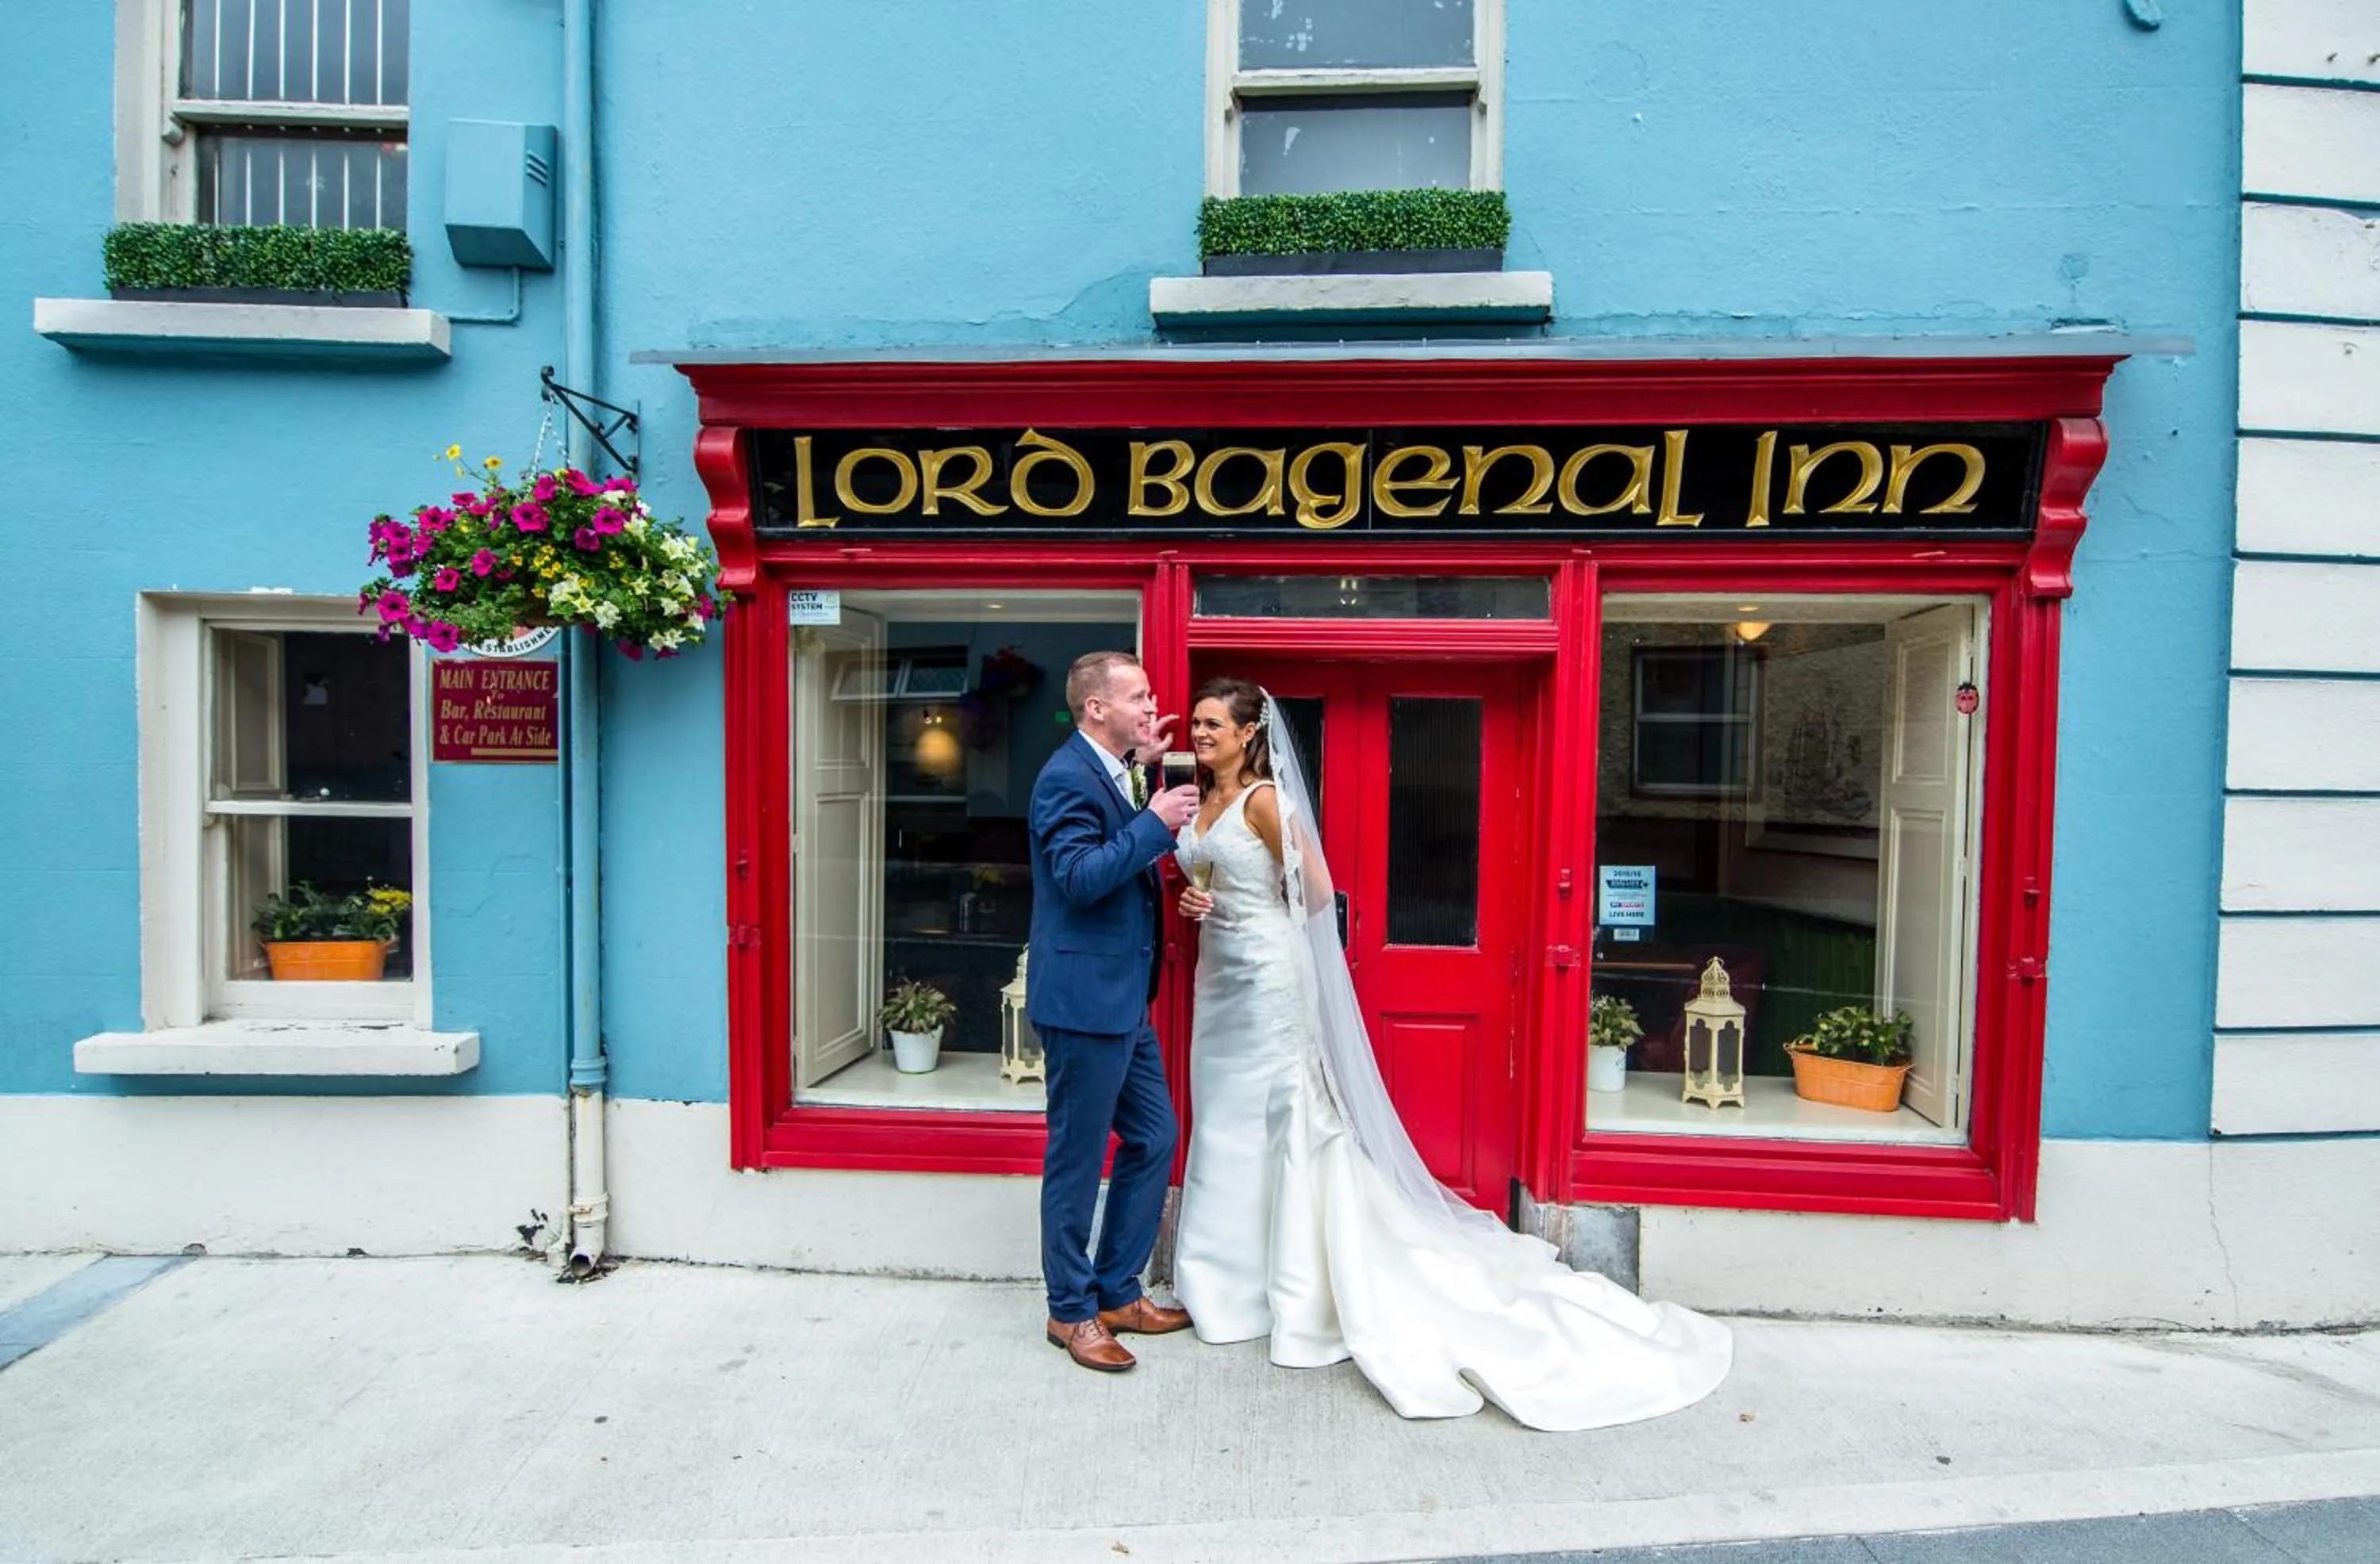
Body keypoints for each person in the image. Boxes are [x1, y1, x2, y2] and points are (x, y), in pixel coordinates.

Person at [1170, 676, 1733, 1430]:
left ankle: (1299, 1294)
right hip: (1218, 981)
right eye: (1198, 723)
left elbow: (1313, 893)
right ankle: (1225, 1286)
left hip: (1268, 979)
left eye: (1213, 724)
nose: (1201, 734)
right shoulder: (1195, 798)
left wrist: (1249, 916)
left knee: (1283, 1119)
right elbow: (1201, 873)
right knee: (1225, 1124)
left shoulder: (1264, 802)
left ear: (1247, 734)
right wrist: (1197, 903)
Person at [1026, 650, 1203, 1372]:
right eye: (1138, 696)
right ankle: (1069, 1312)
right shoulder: (1063, 777)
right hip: (1082, 1002)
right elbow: (1079, 879)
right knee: (1075, 1159)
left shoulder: (1114, 768)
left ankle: (1116, 1290)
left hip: (1126, 999)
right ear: (1095, 707)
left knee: (1156, 1138)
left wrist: (1148, 779)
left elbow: (1118, 843)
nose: (1150, 705)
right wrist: (1157, 820)